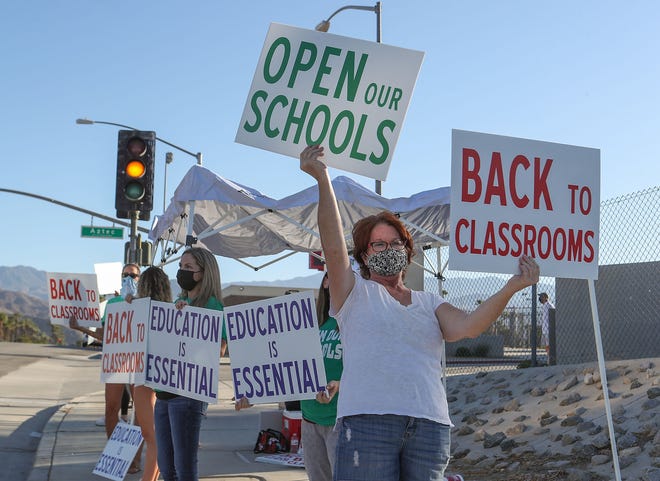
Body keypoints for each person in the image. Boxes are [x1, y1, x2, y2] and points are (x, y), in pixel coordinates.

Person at [299, 144, 540, 481]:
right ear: (364, 257)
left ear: (407, 251)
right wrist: (323, 179)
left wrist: (511, 287)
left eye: (395, 243)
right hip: (368, 424)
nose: (388, 249)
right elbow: (333, 243)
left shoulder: (429, 303)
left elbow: (470, 326)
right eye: (378, 244)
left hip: (429, 426)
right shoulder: (354, 293)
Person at [154, 247, 224, 481]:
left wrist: (190, 322)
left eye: (188, 267)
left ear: (203, 273)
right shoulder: (178, 302)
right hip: (164, 393)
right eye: (180, 267)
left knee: (183, 468)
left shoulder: (212, 306)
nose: (181, 272)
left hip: (188, 395)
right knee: (165, 467)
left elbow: (218, 350)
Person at [69, 262, 143, 474]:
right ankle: (116, 455)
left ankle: (136, 460)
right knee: (111, 408)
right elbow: (104, 334)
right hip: (116, 360)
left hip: (138, 361)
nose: (129, 277)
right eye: (125, 274)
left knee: (141, 412)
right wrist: (80, 327)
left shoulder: (145, 301)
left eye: (133, 275)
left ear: (140, 278)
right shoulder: (112, 304)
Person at [127, 266, 173, 481]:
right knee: (150, 434)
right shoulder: (134, 308)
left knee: (152, 435)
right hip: (142, 375)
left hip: (159, 377)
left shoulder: (172, 312)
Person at [300, 272, 343, 481]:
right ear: (325, 281)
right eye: (333, 275)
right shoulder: (313, 322)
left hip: (340, 422)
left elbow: (370, 371)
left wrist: (340, 385)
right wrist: (255, 393)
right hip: (309, 418)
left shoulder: (354, 323)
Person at [538, 292, 555, 356]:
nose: (540, 298)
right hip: (545, 329)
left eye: (541, 297)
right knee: (547, 345)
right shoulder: (545, 305)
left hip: (548, 329)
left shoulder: (549, 305)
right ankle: (549, 356)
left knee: (549, 345)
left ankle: (550, 357)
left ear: (545, 298)